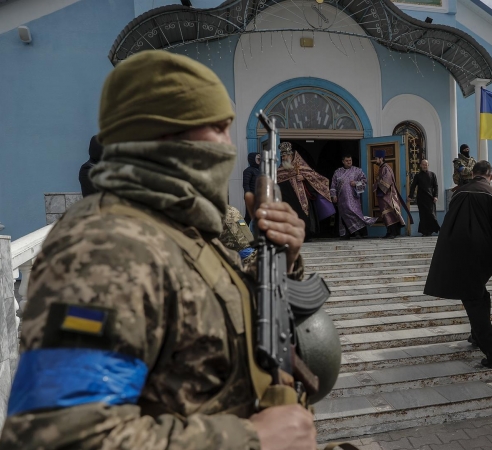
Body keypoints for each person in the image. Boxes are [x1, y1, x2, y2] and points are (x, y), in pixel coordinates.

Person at [0, 50, 317, 450]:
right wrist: (252, 439)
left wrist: (281, 259)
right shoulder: (105, 248)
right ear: (163, 134)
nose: (229, 145)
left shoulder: (178, 228)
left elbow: (206, 321)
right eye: (217, 129)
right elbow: (59, 436)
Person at [424, 161, 492, 369]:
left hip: (455, 254)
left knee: (478, 297)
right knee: (476, 299)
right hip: (480, 256)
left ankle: (479, 340)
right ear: (490, 176)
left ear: (474, 174)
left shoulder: (458, 194)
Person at [277, 142, 335, 241]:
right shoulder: (280, 170)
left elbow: (316, 177)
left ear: (291, 155)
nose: (283, 158)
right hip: (287, 199)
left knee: (304, 216)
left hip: (301, 198)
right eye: (282, 156)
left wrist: (304, 178)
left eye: (285, 156)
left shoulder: (300, 167)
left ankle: (306, 236)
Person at [330, 154, 376, 239]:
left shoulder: (357, 171)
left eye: (350, 161)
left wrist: (356, 183)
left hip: (353, 200)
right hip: (341, 200)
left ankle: (358, 233)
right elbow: (333, 185)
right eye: (347, 161)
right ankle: (345, 234)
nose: (349, 162)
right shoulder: (337, 172)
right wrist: (333, 196)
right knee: (343, 216)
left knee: (355, 214)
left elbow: (364, 182)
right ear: (343, 161)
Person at [374, 150, 406, 238]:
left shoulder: (386, 168)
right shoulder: (381, 168)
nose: (375, 160)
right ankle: (389, 231)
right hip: (383, 195)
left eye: (376, 158)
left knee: (390, 213)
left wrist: (378, 182)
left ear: (381, 159)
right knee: (386, 214)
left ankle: (393, 232)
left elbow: (387, 181)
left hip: (388, 195)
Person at [409, 159, 440, 236]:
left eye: (426, 165)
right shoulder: (418, 176)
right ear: (421, 165)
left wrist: (435, 196)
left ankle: (433, 230)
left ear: (428, 165)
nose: (424, 166)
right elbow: (413, 186)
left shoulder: (432, 175)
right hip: (421, 199)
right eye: (423, 164)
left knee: (431, 215)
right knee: (423, 216)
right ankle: (424, 232)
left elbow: (435, 186)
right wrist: (410, 196)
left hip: (430, 198)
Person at [242, 151, 261, 224]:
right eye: (258, 159)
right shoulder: (248, 171)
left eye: (260, 159)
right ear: (253, 159)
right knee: (249, 215)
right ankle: (243, 230)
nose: (259, 161)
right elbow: (245, 184)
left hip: (259, 196)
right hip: (252, 197)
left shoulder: (260, 170)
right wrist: (248, 196)